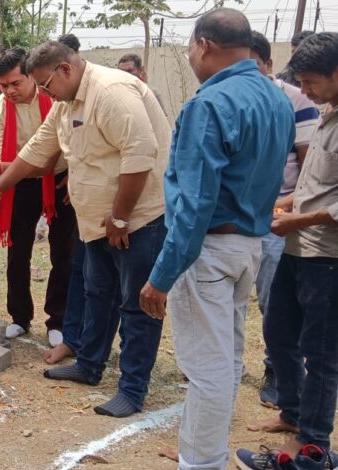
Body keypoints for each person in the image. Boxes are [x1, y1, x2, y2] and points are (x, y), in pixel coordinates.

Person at [0, 40, 170, 418]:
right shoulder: (66, 102)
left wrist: (121, 217)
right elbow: (35, 151)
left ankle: (132, 389)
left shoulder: (111, 92)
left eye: (45, 85)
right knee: (96, 293)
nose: (42, 93)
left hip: (136, 221)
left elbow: (140, 155)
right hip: (96, 222)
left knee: (135, 307)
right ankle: (90, 364)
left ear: (65, 70)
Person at [136, 9, 295, 470]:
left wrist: (161, 277)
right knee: (224, 360)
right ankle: (201, 451)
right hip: (249, 245)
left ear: (203, 45)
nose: (190, 57)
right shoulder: (278, 98)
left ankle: (201, 461)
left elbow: (195, 203)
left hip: (208, 251)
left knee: (207, 369)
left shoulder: (209, 105)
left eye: (189, 48)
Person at [236, 32, 338, 470]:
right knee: (278, 332)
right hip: (299, 248)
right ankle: (292, 415)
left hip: (328, 258)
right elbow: (315, 187)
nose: (306, 91)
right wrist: (284, 206)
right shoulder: (328, 116)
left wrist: (298, 218)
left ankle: (314, 445)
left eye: (312, 81)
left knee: (321, 354)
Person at [0, 47, 77, 347]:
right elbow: (0, 157)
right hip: (21, 182)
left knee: (63, 252)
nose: (9, 91)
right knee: (17, 251)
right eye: (3, 86)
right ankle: (20, 318)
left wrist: (72, 175)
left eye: (15, 83)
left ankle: (58, 320)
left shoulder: (56, 99)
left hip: (61, 180)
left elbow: (71, 146)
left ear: (31, 77)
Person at [248, 30, 319, 409]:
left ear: (269, 65)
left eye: (254, 68)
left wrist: (289, 209)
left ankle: (278, 372)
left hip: (278, 218)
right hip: (239, 219)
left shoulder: (296, 101)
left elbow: (311, 171)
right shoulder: (228, 101)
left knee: (275, 303)